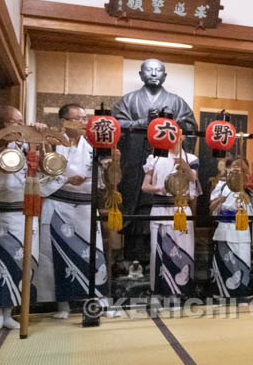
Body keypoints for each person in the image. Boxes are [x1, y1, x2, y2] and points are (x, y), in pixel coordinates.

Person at [112, 59, 197, 262]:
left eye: (158, 70)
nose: (153, 73)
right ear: (141, 75)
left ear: (164, 76)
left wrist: (168, 124)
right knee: (136, 208)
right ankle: (134, 260)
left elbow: (190, 127)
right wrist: (144, 123)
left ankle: (163, 260)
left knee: (164, 208)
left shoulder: (177, 102)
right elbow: (116, 126)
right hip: (135, 164)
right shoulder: (128, 101)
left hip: (166, 166)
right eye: (148, 70)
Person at [35, 104, 110, 319]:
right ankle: (62, 305)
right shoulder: (51, 143)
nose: (83, 123)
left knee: (92, 253)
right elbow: (41, 176)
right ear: (64, 121)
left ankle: (94, 297)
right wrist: (66, 179)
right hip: (59, 205)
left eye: (85, 118)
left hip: (86, 207)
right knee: (57, 253)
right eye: (77, 118)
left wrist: (108, 168)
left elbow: (103, 182)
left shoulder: (94, 145)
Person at [0, 106, 39, 333]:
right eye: (14, 122)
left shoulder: (25, 148)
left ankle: (10, 312)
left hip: (21, 213)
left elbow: (40, 175)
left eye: (21, 121)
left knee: (20, 264)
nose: (19, 126)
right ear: (0, 124)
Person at [141, 139, 200, 308]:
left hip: (180, 209)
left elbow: (193, 179)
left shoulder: (191, 158)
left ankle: (177, 293)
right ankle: (157, 292)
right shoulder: (155, 157)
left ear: (182, 137)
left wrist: (185, 166)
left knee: (181, 251)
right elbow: (145, 186)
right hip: (160, 207)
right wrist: (159, 189)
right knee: (157, 251)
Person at [210, 158, 253, 299]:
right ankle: (222, 294)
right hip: (224, 228)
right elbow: (211, 207)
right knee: (224, 261)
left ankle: (241, 294)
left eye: (241, 168)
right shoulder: (222, 186)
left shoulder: (250, 187)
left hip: (241, 229)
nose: (236, 169)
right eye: (234, 166)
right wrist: (220, 200)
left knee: (243, 260)